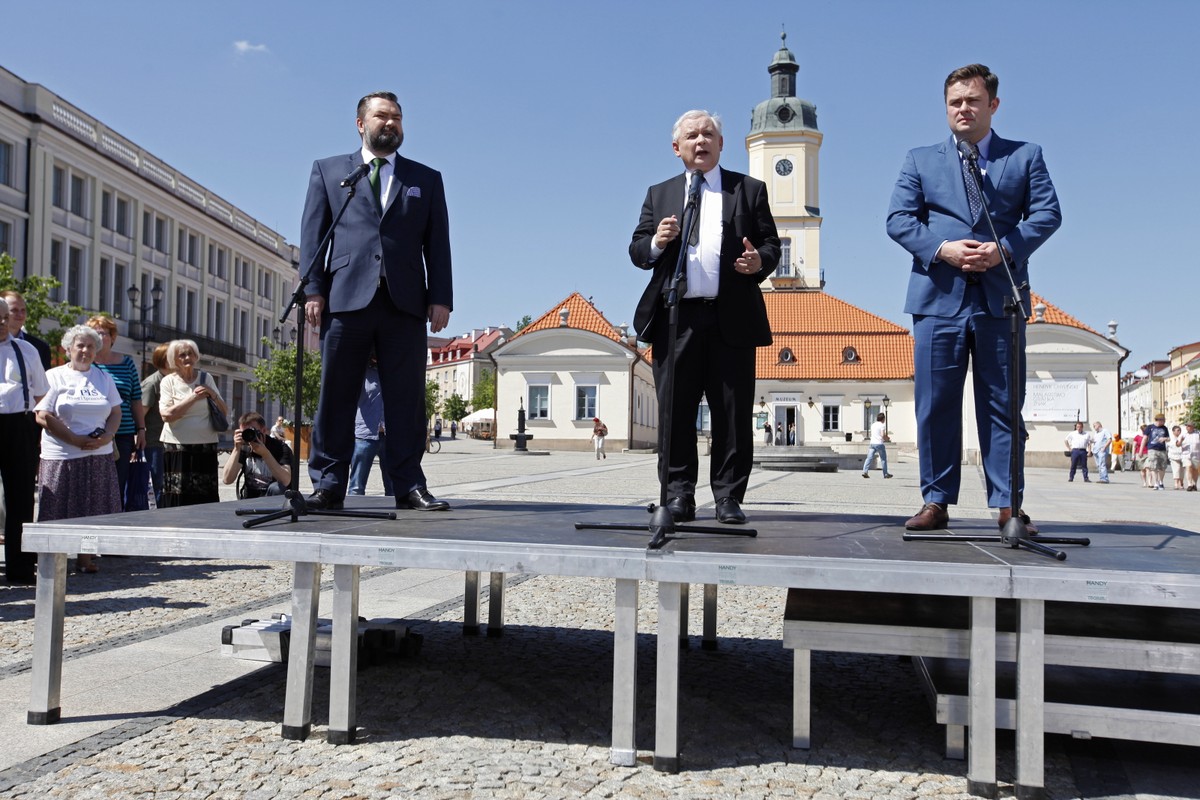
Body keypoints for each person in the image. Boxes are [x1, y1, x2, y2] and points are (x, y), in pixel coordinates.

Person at [887, 64, 1061, 534]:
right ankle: (936, 501)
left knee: (1003, 405)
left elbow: (1047, 214)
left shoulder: (1025, 156)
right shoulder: (919, 160)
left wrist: (1003, 248)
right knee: (935, 404)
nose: (963, 109)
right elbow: (899, 220)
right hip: (937, 299)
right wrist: (941, 248)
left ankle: (1008, 506)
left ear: (993, 105)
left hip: (1001, 300)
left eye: (972, 100)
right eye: (954, 102)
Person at [301, 90, 453, 513]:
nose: (391, 123)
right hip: (346, 297)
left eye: (398, 118)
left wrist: (441, 297)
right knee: (336, 394)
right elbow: (314, 235)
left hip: (405, 301)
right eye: (383, 116)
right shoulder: (331, 172)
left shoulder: (425, 178)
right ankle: (329, 483)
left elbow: (437, 244)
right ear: (360, 123)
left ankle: (408, 485)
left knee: (407, 397)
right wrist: (313, 289)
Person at [629, 109, 780, 525]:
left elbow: (770, 245)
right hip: (677, 319)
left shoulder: (748, 190)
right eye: (692, 135)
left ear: (720, 144)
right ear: (677, 148)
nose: (701, 140)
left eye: (708, 133)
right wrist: (657, 242)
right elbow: (638, 250)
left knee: (731, 412)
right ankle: (679, 496)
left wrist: (758, 262)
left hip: (731, 318)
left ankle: (729, 497)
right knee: (674, 413)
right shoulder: (659, 193)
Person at [34, 325, 123, 574]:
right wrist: (72, 438)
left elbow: (115, 411)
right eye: (80, 345)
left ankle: (85, 558)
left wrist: (108, 435)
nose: (85, 350)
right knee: (57, 510)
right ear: (68, 349)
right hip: (63, 454)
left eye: (90, 346)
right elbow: (42, 415)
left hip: (97, 454)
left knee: (91, 511)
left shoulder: (103, 377)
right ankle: (53, 561)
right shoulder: (53, 376)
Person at [0, 296, 48, 585]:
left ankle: (19, 568)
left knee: (20, 497)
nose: (3, 324)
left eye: (5, 318)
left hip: (20, 423)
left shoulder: (26, 350)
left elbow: (42, 391)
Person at [158, 339, 228, 507]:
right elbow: (166, 415)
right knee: (178, 493)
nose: (187, 357)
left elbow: (224, 410)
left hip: (206, 444)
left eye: (190, 353)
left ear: (196, 357)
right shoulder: (168, 381)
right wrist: (193, 397)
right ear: (174, 360)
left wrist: (212, 393)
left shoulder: (206, 378)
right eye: (182, 355)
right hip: (177, 446)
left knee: (205, 494)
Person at [87, 315, 147, 505]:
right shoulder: (86, 364)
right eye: (94, 333)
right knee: (93, 484)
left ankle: (113, 521)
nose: (98, 337)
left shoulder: (126, 362)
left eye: (103, 333)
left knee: (117, 484)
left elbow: (136, 400)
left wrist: (141, 430)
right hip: (90, 433)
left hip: (122, 434)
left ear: (112, 337)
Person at [348, 361, 394, 496]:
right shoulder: (362, 373)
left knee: (393, 487)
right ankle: (355, 513)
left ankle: (397, 515)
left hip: (388, 435)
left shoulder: (392, 373)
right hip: (364, 435)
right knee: (356, 486)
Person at [222, 412, 293, 499]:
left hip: (272, 501)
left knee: (276, 488)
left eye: (252, 432)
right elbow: (227, 480)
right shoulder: (244, 447)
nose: (249, 436)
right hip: (250, 500)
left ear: (263, 430)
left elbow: (285, 481)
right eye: (245, 433)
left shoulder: (280, 447)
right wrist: (236, 449)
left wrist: (265, 454)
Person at [140, 343, 173, 508]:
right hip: (155, 443)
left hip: (171, 442)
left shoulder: (173, 381)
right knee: (159, 485)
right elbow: (140, 414)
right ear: (166, 361)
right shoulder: (152, 383)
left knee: (170, 484)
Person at [0, 290, 53, 370]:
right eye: (14, 310)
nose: (20, 315)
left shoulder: (39, 348)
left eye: (23, 310)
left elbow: (42, 380)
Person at [862, 413, 893, 478]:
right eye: (884, 418)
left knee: (869, 458)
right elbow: (882, 435)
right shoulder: (882, 425)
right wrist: (887, 438)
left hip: (872, 443)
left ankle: (865, 471)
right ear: (883, 419)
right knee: (883, 459)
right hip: (879, 444)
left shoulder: (873, 425)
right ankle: (885, 474)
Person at [1145, 414, 1170, 491]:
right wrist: (1141, 450)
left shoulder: (1164, 428)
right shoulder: (1150, 427)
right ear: (1158, 420)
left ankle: (1161, 482)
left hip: (1162, 449)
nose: (1164, 421)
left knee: (1162, 467)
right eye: (1163, 420)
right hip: (1152, 449)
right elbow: (1145, 438)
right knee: (1153, 466)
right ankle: (1155, 483)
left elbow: (1169, 438)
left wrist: (1164, 438)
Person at [1183, 421, 1200, 492]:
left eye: (1189, 426)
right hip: (1186, 455)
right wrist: (1180, 442)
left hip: (1196, 454)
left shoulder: (1198, 434)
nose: (1188, 427)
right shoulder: (1183, 435)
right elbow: (1177, 444)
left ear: (1193, 427)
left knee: (1195, 470)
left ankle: (1194, 484)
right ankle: (1189, 484)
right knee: (1188, 467)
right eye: (1187, 426)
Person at [1169, 425, 1186, 490]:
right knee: (1176, 469)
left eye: (1180, 430)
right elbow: (1173, 445)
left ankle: (1181, 483)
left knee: (1182, 470)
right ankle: (1176, 483)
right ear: (1173, 431)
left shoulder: (1182, 437)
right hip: (1173, 456)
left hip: (1182, 456)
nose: (1179, 431)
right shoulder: (1170, 438)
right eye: (1177, 430)